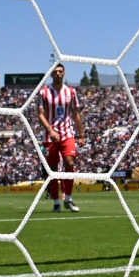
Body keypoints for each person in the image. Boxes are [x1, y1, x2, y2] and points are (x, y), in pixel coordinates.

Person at [36, 63, 85, 213]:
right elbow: (40, 114)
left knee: (69, 163)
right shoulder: (43, 92)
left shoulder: (71, 92)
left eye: (60, 72)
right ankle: (56, 202)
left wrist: (81, 134)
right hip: (49, 135)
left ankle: (68, 199)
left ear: (64, 74)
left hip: (67, 133)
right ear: (51, 75)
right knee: (52, 169)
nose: (58, 74)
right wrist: (50, 130)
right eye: (55, 72)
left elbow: (76, 113)